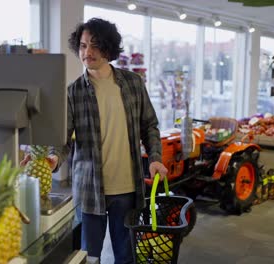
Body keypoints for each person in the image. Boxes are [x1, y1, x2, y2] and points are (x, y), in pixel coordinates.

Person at [22, 17, 167, 263]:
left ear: (108, 48)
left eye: (94, 45)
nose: (87, 52)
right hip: (89, 191)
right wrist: (52, 159)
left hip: (128, 189)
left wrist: (154, 158)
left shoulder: (133, 84)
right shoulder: (73, 92)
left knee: (126, 255)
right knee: (89, 257)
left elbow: (149, 125)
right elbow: (63, 139)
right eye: (82, 45)